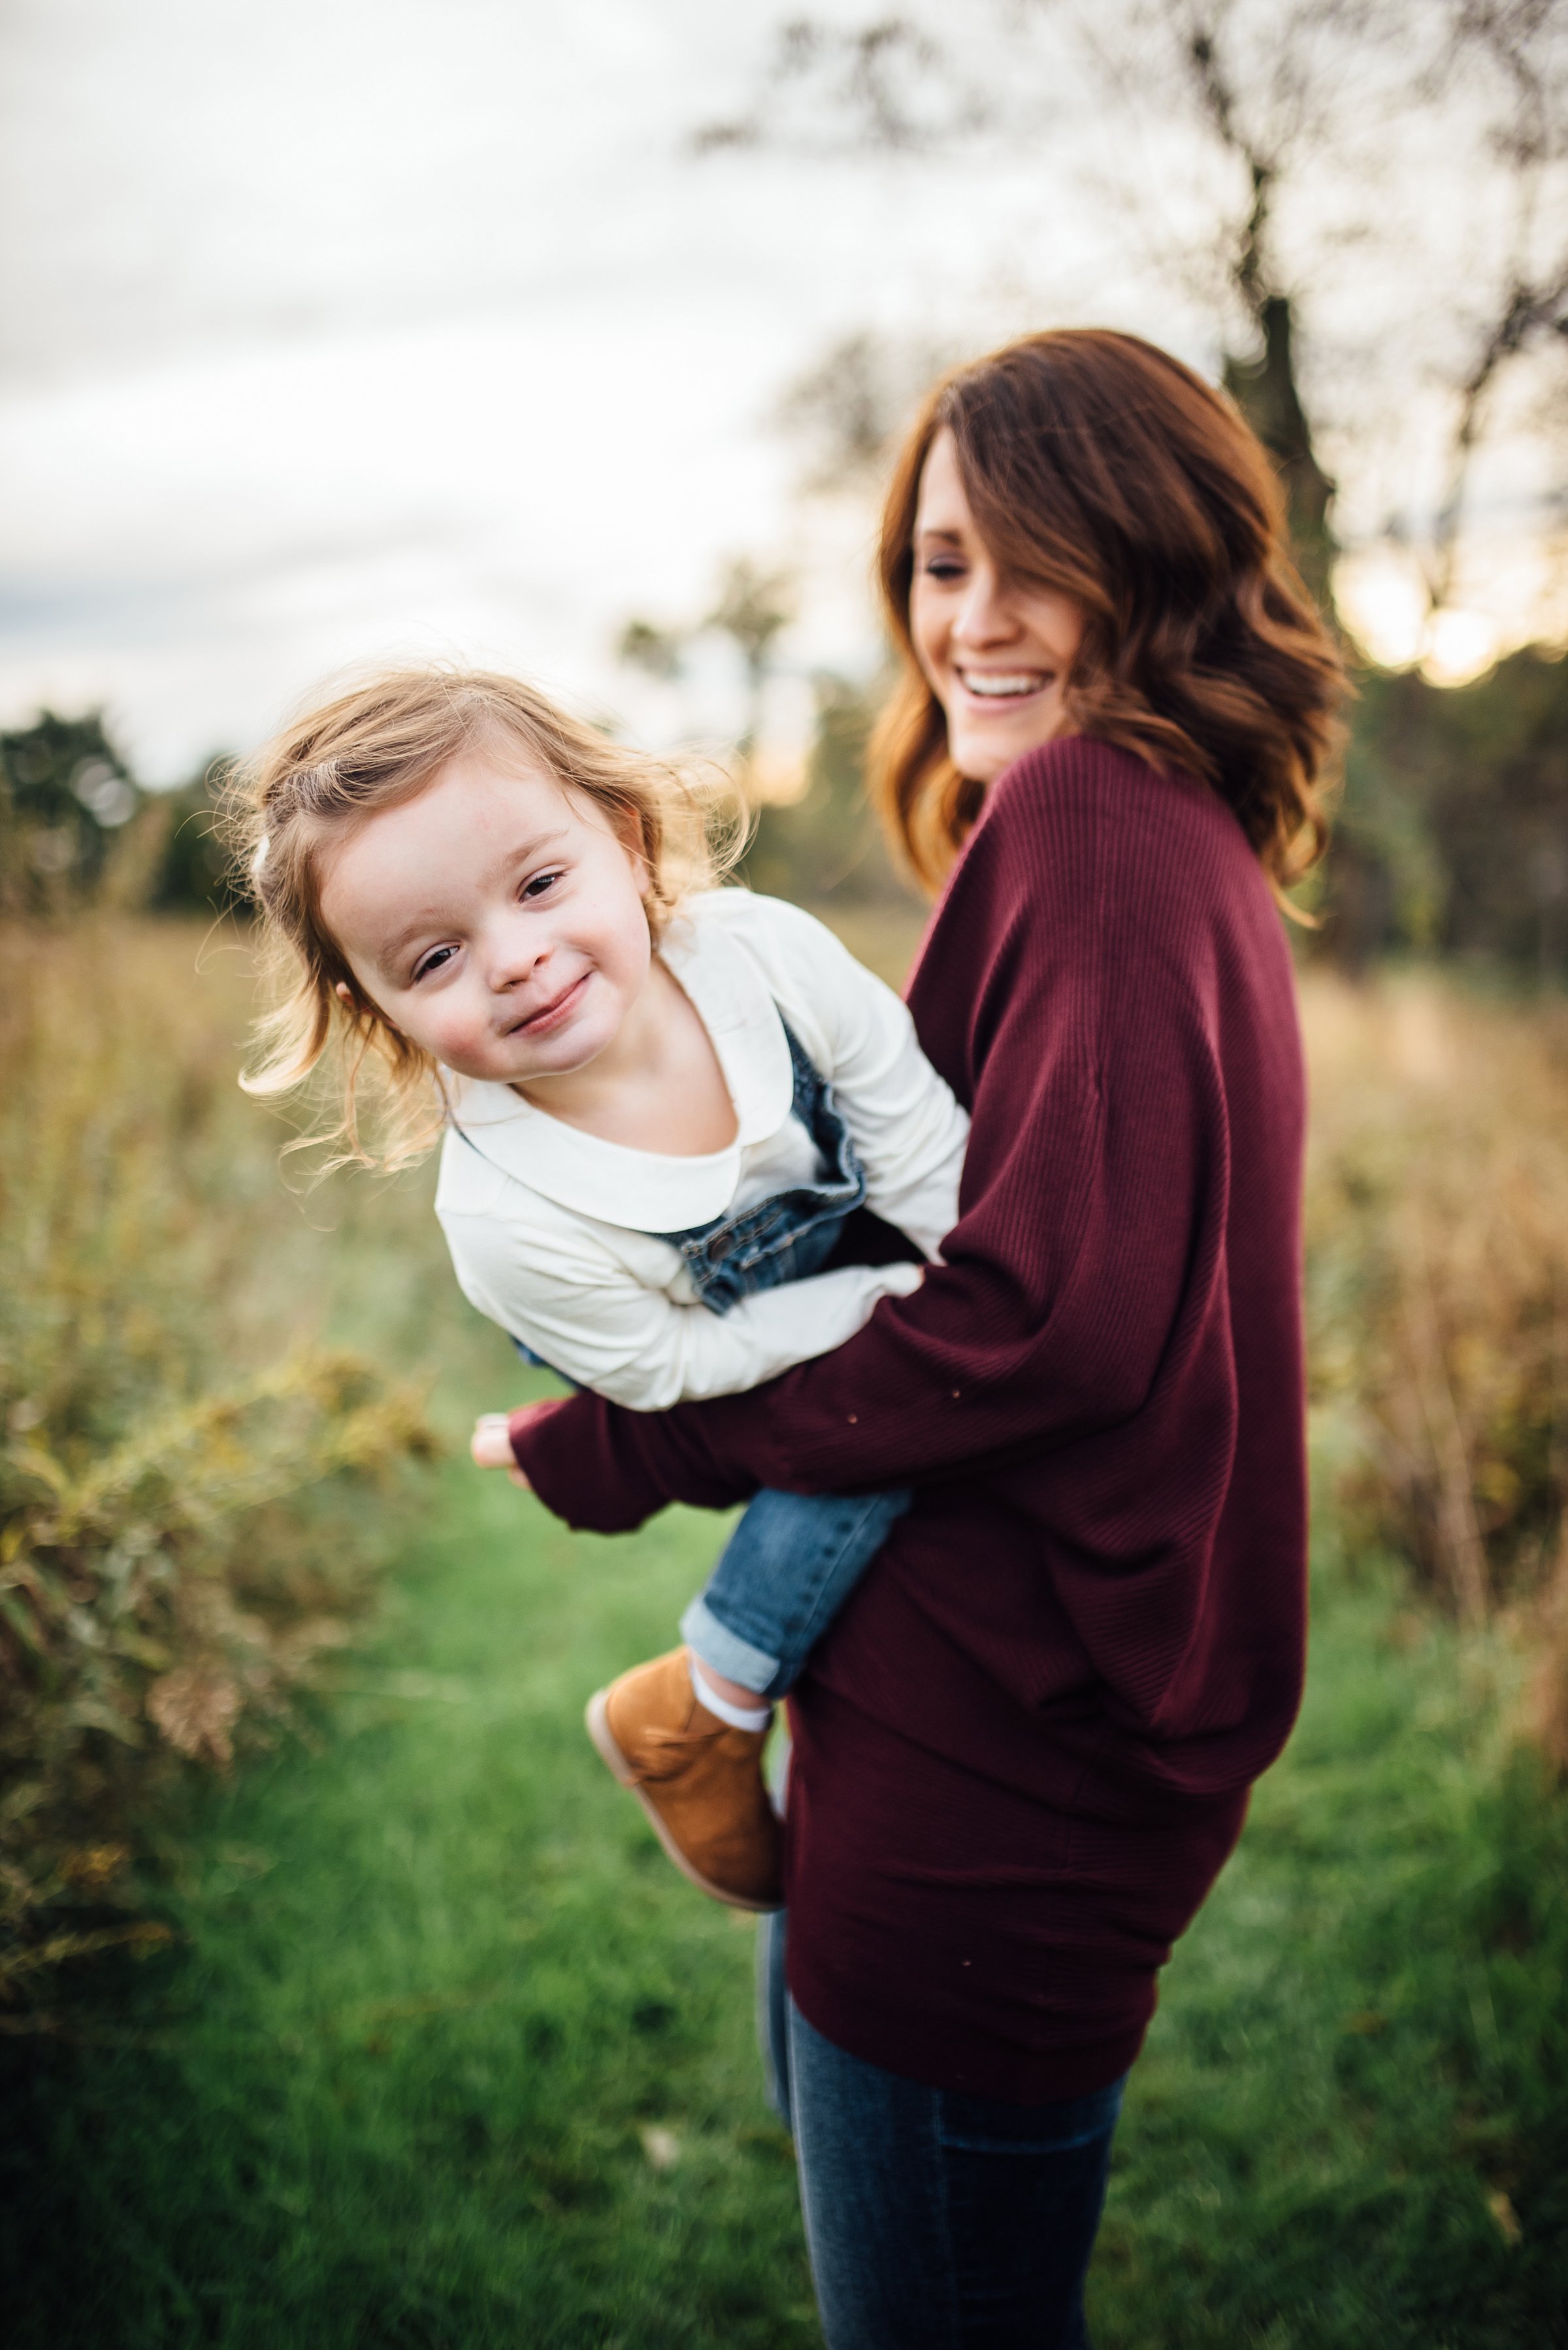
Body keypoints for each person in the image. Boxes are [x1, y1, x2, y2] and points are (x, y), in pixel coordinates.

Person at [500, 329, 1347, 2348]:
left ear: (1162, 560)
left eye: (1031, 558)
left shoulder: (1101, 823)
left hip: (1010, 1765)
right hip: (957, 1714)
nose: (972, 618)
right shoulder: (1143, 829)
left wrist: (639, 1442)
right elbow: (985, 1240)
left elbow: (1036, 1319)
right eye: (939, 561)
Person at [229, 667, 970, 1911]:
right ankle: (710, 1701)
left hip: (885, 1250)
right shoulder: (509, 1221)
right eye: (436, 956)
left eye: (538, 885)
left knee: (942, 1400)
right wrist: (887, 1319)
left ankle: (718, 1687)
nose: (516, 960)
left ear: (622, 838)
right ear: (379, 1010)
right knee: (863, 1432)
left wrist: (970, 1286)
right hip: (702, 1349)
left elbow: (906, 1120)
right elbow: (668, 1369)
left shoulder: (764, 957)